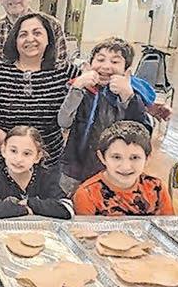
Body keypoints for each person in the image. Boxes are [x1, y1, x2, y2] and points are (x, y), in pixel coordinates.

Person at [0, 12, 79, 169]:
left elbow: (92, 90)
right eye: (23, 35)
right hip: (0, 158)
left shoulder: (64, 71)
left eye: (37, 33)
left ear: (49, 38)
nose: (30, 39)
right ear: (15, 41)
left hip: (48, 162)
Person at [58, 37, 152, 195]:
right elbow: (63, 121)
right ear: (88, 66)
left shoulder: (131, 95)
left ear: (126, 72)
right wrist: (77, 88)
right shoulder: (81, 90)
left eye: (115, 62)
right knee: (71, 202)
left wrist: (128, 96)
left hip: (113, 169)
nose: (106, 66)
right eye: (100, 59)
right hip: (74, 166)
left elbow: (142, 133)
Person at [73, 121, 174, 216]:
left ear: (147, 158)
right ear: (102, 157)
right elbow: (85, 229)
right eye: (116, 157)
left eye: (135, 157)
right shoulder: (87, 195)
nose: (126, 167)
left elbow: (169, 225)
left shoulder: (157, 188)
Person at [0, 126, 73, 219]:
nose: (18, 159)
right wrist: (25, 210)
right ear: (3, 150)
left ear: (37, 157)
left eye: (26, 153)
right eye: (13, 151)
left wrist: (30, 203)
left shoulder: (45, 177)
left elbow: (67, 208)